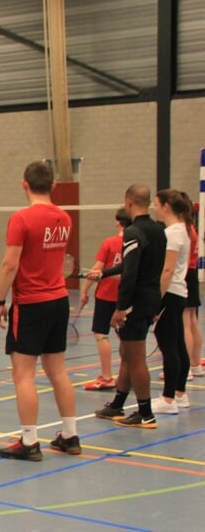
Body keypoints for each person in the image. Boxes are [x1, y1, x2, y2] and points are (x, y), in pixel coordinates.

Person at [0, 162, 79, 461]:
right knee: (58, 370)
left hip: (31, 303)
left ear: (24, 184)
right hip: (59, 301)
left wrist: (0, 300)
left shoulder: (21, 218)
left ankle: (29, 442)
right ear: (53, 185)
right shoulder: (64, 218)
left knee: (23, 375)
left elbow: (9, 264)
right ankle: (70, 435)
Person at [91, 184, 167, 429]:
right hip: (152, 297)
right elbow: (132, 265)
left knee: (136, 358)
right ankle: (117, 405)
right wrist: (104, 273)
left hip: (137, 301)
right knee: (126, 353)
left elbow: (132, 272)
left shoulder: (133, 232)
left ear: (129, 201)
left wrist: (121, 308)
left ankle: (145, 413)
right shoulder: (158, 230)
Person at [148, 190, 192, 414]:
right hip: (179, 293)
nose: (154, 208)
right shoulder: (181, 230)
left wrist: (157, 299)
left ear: (166, 206)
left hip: (171, 293)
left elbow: (168, 269)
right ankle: (180, 394)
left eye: (156, 204)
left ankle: (168, 400)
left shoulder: (173, 233)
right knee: (177, 345)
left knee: (169, 346)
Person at [79, 207, 131, 391]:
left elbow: (96, 271)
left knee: (102, 335)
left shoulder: (109, 243)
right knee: (127, 338)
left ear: (117, 222)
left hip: (106, 296)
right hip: (127, 297)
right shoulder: (135, 243)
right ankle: (130, 374)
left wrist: (84, 291)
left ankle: (107, 377)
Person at [180, 193, 202, 378]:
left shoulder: (185, 230)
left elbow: (184, 260)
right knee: (192, 320)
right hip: (192, 274)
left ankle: (186, 368)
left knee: (185, 322)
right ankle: (195, 365)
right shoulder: (192, 228)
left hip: (186, 274)